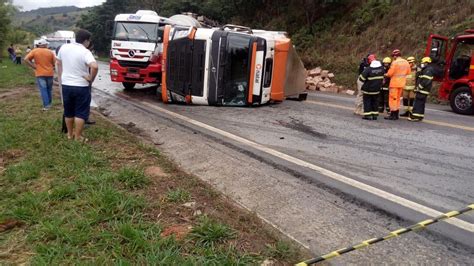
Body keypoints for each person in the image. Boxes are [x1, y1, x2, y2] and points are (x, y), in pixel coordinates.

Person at [57, 29, 98, 141]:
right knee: (80, 112)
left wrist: (62, 77)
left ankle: (70, 135)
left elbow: (59, 62)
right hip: (81, 86)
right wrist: (90, 79)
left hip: (66, 85)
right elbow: (94, 66)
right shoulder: (85, 51)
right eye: (89, 41)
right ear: (86, 41)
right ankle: (78, 137)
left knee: (68, 111)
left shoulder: (64, 47)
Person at [25, 39, 57, 111]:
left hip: (40, 73)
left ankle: (47, 106)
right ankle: (50, 103)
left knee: (43, 89)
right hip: (50, 73)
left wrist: (33, 66)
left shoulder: (35, 51)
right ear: (45, 45)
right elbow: (55, 62)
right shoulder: (50, 52)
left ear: (39, 45)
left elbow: (26, 59)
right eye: (47, 44)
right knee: (49, 89)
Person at [385, 49, 410, 120]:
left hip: (394, 84)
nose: (393, 57)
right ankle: (396, 115)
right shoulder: (406, 62)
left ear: (395, 56)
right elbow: (408, 72)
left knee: (393, 99)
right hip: (402, 83)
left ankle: (393, 114)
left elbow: (390, 74)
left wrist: (386, 74)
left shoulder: (395, 62)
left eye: (393, 56)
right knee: (398, 99)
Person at [409, 57, 434, 122]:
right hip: (423, 90)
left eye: (423, 63)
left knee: (418, 103)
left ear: (426, 63)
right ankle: (420, 116)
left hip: (423, 90)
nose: (422, 64)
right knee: (421, 103)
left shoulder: (427, 70)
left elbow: (425, 81)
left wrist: (419, 87)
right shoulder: (426, 69)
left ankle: (415, 117)